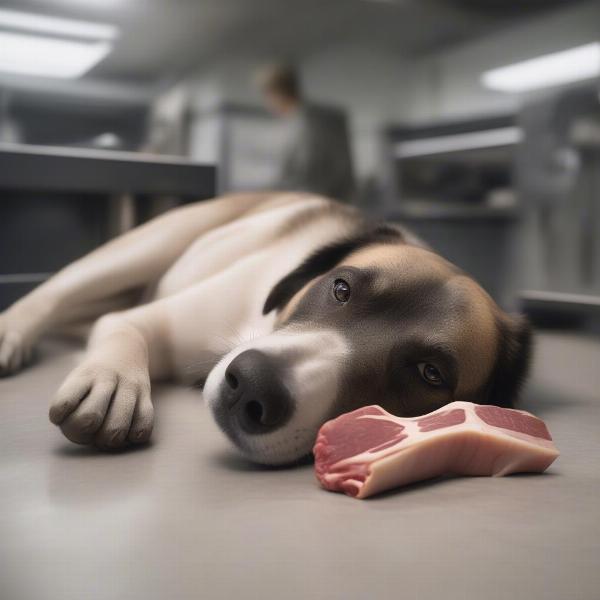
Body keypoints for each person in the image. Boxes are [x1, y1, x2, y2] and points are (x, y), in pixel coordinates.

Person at [258, 64, 355, 202]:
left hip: (315, 202)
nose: (268, 104)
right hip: (323, 200)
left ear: (277, 94)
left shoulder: (307, 123)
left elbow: (304, 171)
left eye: (267, 96)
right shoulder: (299, 121)